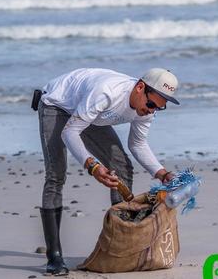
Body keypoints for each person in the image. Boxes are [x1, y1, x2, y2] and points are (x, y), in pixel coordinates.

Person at [36, 67, 180, 275]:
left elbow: (138, 144)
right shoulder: (107, 92)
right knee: (56, 175)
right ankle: (54, 256)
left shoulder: (146, 108)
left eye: (159, 108)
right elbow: (70, 132)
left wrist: (163, 174)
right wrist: (92, 166)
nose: (151, 111)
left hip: (91, 115)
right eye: (151, 105)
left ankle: (121, 242)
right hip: (57, 105)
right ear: (140, 87)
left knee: (121, 165)